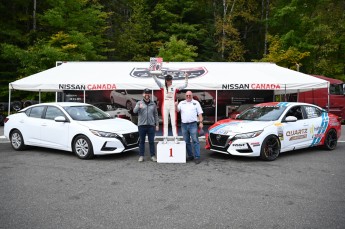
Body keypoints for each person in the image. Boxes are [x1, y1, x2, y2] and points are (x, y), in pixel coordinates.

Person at [153, 73, 188, 144]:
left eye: (171, 80)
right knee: (165, 123)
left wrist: (186, 77)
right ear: (166, 81)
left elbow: (185, 85)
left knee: (173, 122)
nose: (170, 81)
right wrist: (153, 74)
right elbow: (156, 81)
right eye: (169, 80)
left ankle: (175, 137)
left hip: (172, 105)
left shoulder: (175, 87)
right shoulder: (162, 86)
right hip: (165, 105)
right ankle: (165, 137)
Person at [177, 91, 204, 164]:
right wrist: (175, 105)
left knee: (195, 141)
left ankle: (197, 157)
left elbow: (200, 114)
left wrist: (201, 122)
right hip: (184, 125)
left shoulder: (196, 103)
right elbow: (177, 110)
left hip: (193, 124)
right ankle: (190, 156)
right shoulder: (181, 103)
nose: (188, 96)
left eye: (189, 95)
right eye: (187, 95)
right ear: (185, 96)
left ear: (192, 96)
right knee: (186, 142)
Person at [133, 88, 159, 162]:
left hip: (151, 125)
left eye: (148, 93)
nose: (147, 94)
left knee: (151, 141)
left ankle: (153, 156)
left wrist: (157, 124)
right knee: (142, 141)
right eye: (145, 93)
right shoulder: (139, 103)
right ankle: (141, 156)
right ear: (143, 94)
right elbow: (134, 111)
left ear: (150, 95)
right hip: (141, 125)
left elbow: (156, 115)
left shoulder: (153, 104)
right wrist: (139, 107)